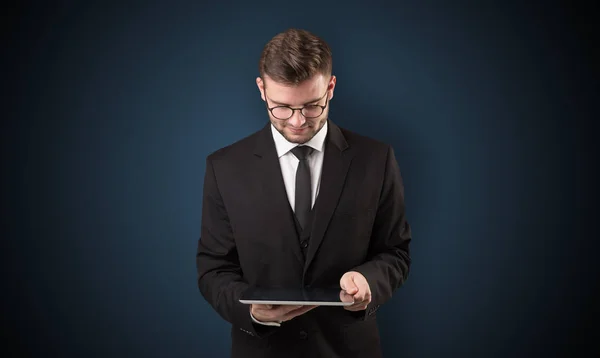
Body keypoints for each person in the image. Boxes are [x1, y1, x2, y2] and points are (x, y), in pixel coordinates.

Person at [196, 28, 411, 358]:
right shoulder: (224, 166)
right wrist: (252, 311)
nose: (297, 122)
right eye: (281, 107)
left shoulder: (376, 159)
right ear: (261, 90)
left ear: (331, 87)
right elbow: (214, 269)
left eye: (312, 106)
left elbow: (395, 252)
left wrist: (368, 281)